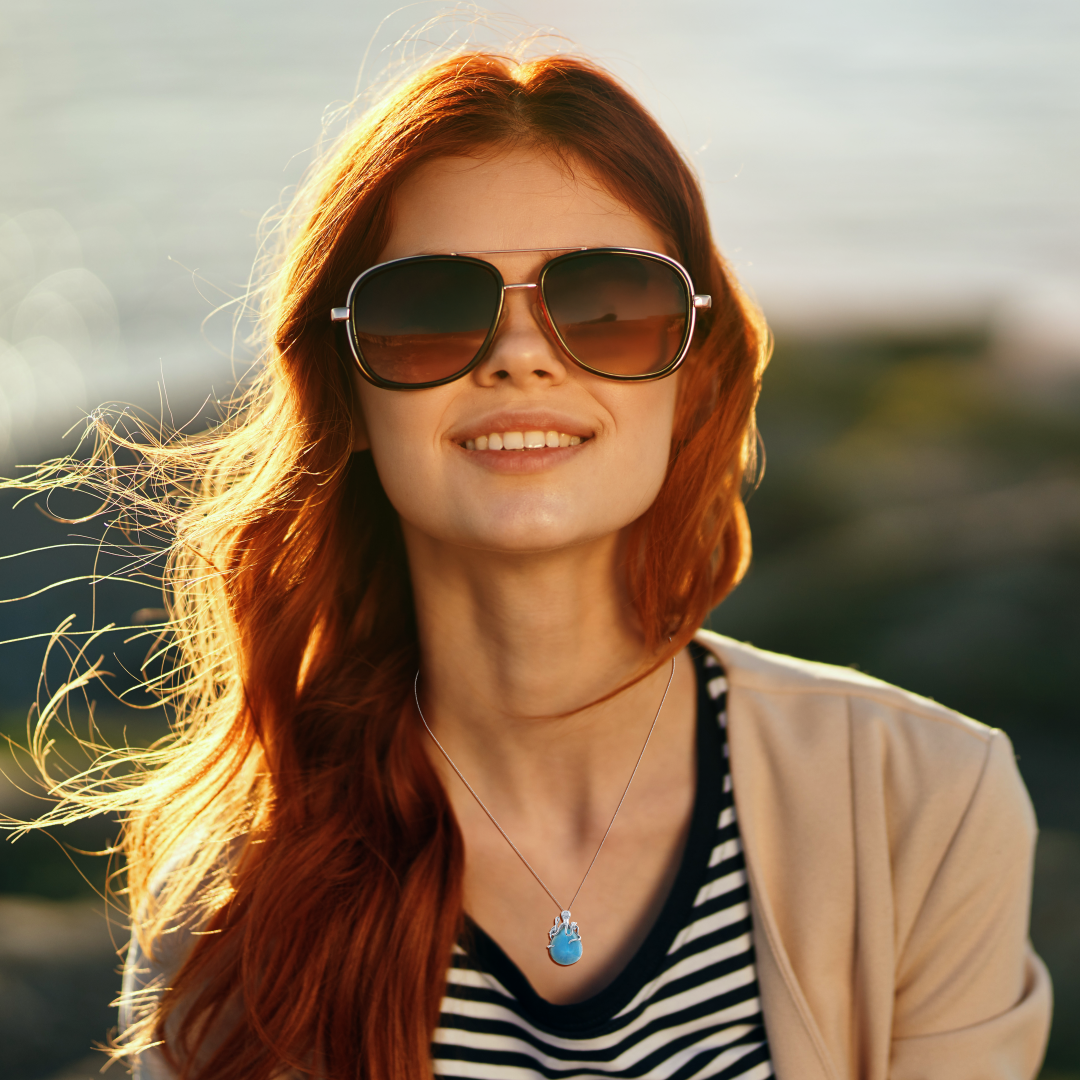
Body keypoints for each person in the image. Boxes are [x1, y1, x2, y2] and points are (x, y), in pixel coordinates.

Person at [16, 50, 1050, 1080]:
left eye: (607, 303)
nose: (522, 351)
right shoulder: (236, 888)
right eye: (429, 311)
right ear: (347, 395)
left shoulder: (925, 800)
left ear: (692, 375)